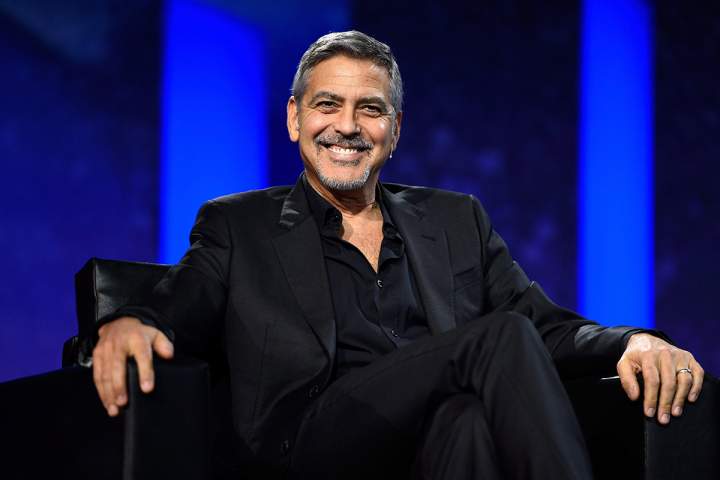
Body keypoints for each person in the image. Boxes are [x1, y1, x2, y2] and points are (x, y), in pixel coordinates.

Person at [92, 31, 704, 479]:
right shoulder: (237, 224)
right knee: (497, 338)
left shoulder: (455, 219)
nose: (347, 126)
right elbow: (186, 298)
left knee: (465, 421)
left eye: (370, 109)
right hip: (309, 443)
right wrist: (135, 321)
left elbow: (543, 327)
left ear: (396, 128)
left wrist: (632, 342)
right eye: (327, 105)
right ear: (294, 119)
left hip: (426, 436)